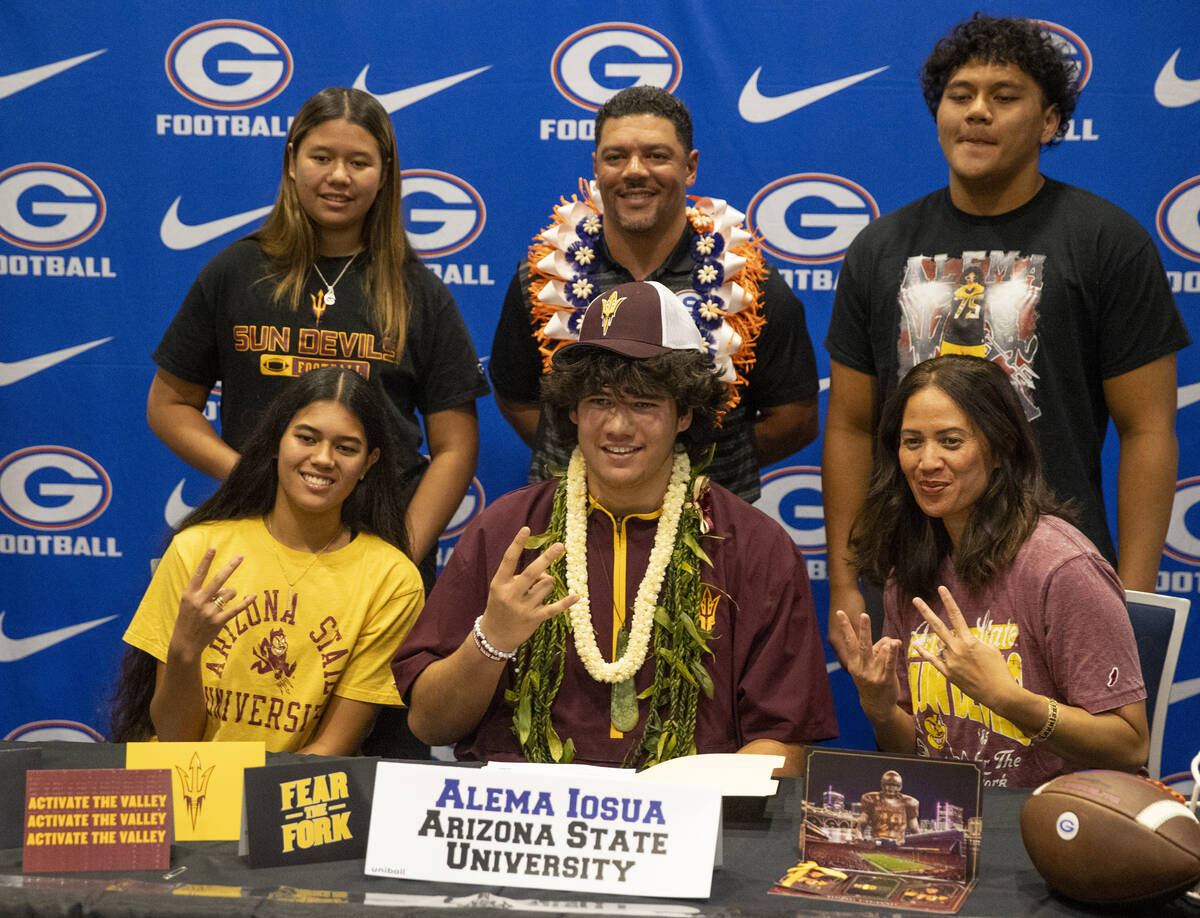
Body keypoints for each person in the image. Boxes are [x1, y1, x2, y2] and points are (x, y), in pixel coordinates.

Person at [823, 13, 1189, 638]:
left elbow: (1148, 429)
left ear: (1049, 122)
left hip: (1060, 575)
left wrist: (1133, 595)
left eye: (1005, 96)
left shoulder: (1106, 241)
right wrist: (842, 581)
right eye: (960, 96)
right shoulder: (880, 248)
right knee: (920, 737)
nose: (977, 112)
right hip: (911, 579)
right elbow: (853, 426)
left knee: (1060, 739)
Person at [394, 282, 836, 773]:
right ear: (572, 409)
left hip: (688, 832)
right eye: (600, 400)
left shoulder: (755, 546)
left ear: (685, 412)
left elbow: (784, 749)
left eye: (645, 403)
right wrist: (492, 638)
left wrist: (667, 810)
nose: (618, 426)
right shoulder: (507, 532)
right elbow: (429, 725)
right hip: (525, 829)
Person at [146, 87, 489, 586]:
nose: (338, 177)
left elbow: (456, 447)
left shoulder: (418, 292)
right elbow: (169, 405)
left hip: (376, 549)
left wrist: (400, 554)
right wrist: (254, 476)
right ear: (291, 161)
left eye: (359, 162)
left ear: (385, 173)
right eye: (321, 157)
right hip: (255, 540)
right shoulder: (235, 272)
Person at [489, 85, 819, 503]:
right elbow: (517, 396)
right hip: (569, 526)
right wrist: (601, 452)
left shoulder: (751, 286)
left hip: (710, 529)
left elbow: (796, 418)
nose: (634, 170)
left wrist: (702, 456)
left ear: (690, 166)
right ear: (595, 166)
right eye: (615, 156)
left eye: (657, 155)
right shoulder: (541, 279)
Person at [833, 355, 1148, 787]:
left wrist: (1009, 699)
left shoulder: (1062, 567)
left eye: (950, 441)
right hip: (949, 821)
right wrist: (883, 710)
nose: (927, 462)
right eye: (912, 442)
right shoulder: (908, 571)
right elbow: (915, 754)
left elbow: (1130, 745)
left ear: (1000, 449)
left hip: (1055, 823)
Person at [112, 368, 424, 755]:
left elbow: (334, 745)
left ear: (368, 463)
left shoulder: (392, 580)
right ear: (277, 441)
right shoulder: (196, 549)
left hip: (288, 798)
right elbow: (177, 738)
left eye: (346, 448)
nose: (323, 459)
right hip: (187, 785)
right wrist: (185, 650)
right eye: (307, 438)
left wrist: (253, 804)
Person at [859, 770, 920, 843]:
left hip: (898, 845)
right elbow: (861, 825)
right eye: (888, 784)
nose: (891, 788)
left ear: (900, 787)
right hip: (877, 843)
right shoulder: (872, 800)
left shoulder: (909, 803)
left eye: (894, 785)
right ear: (882, 785)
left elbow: (914, 829)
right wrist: (858, 838)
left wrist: (920, 844)